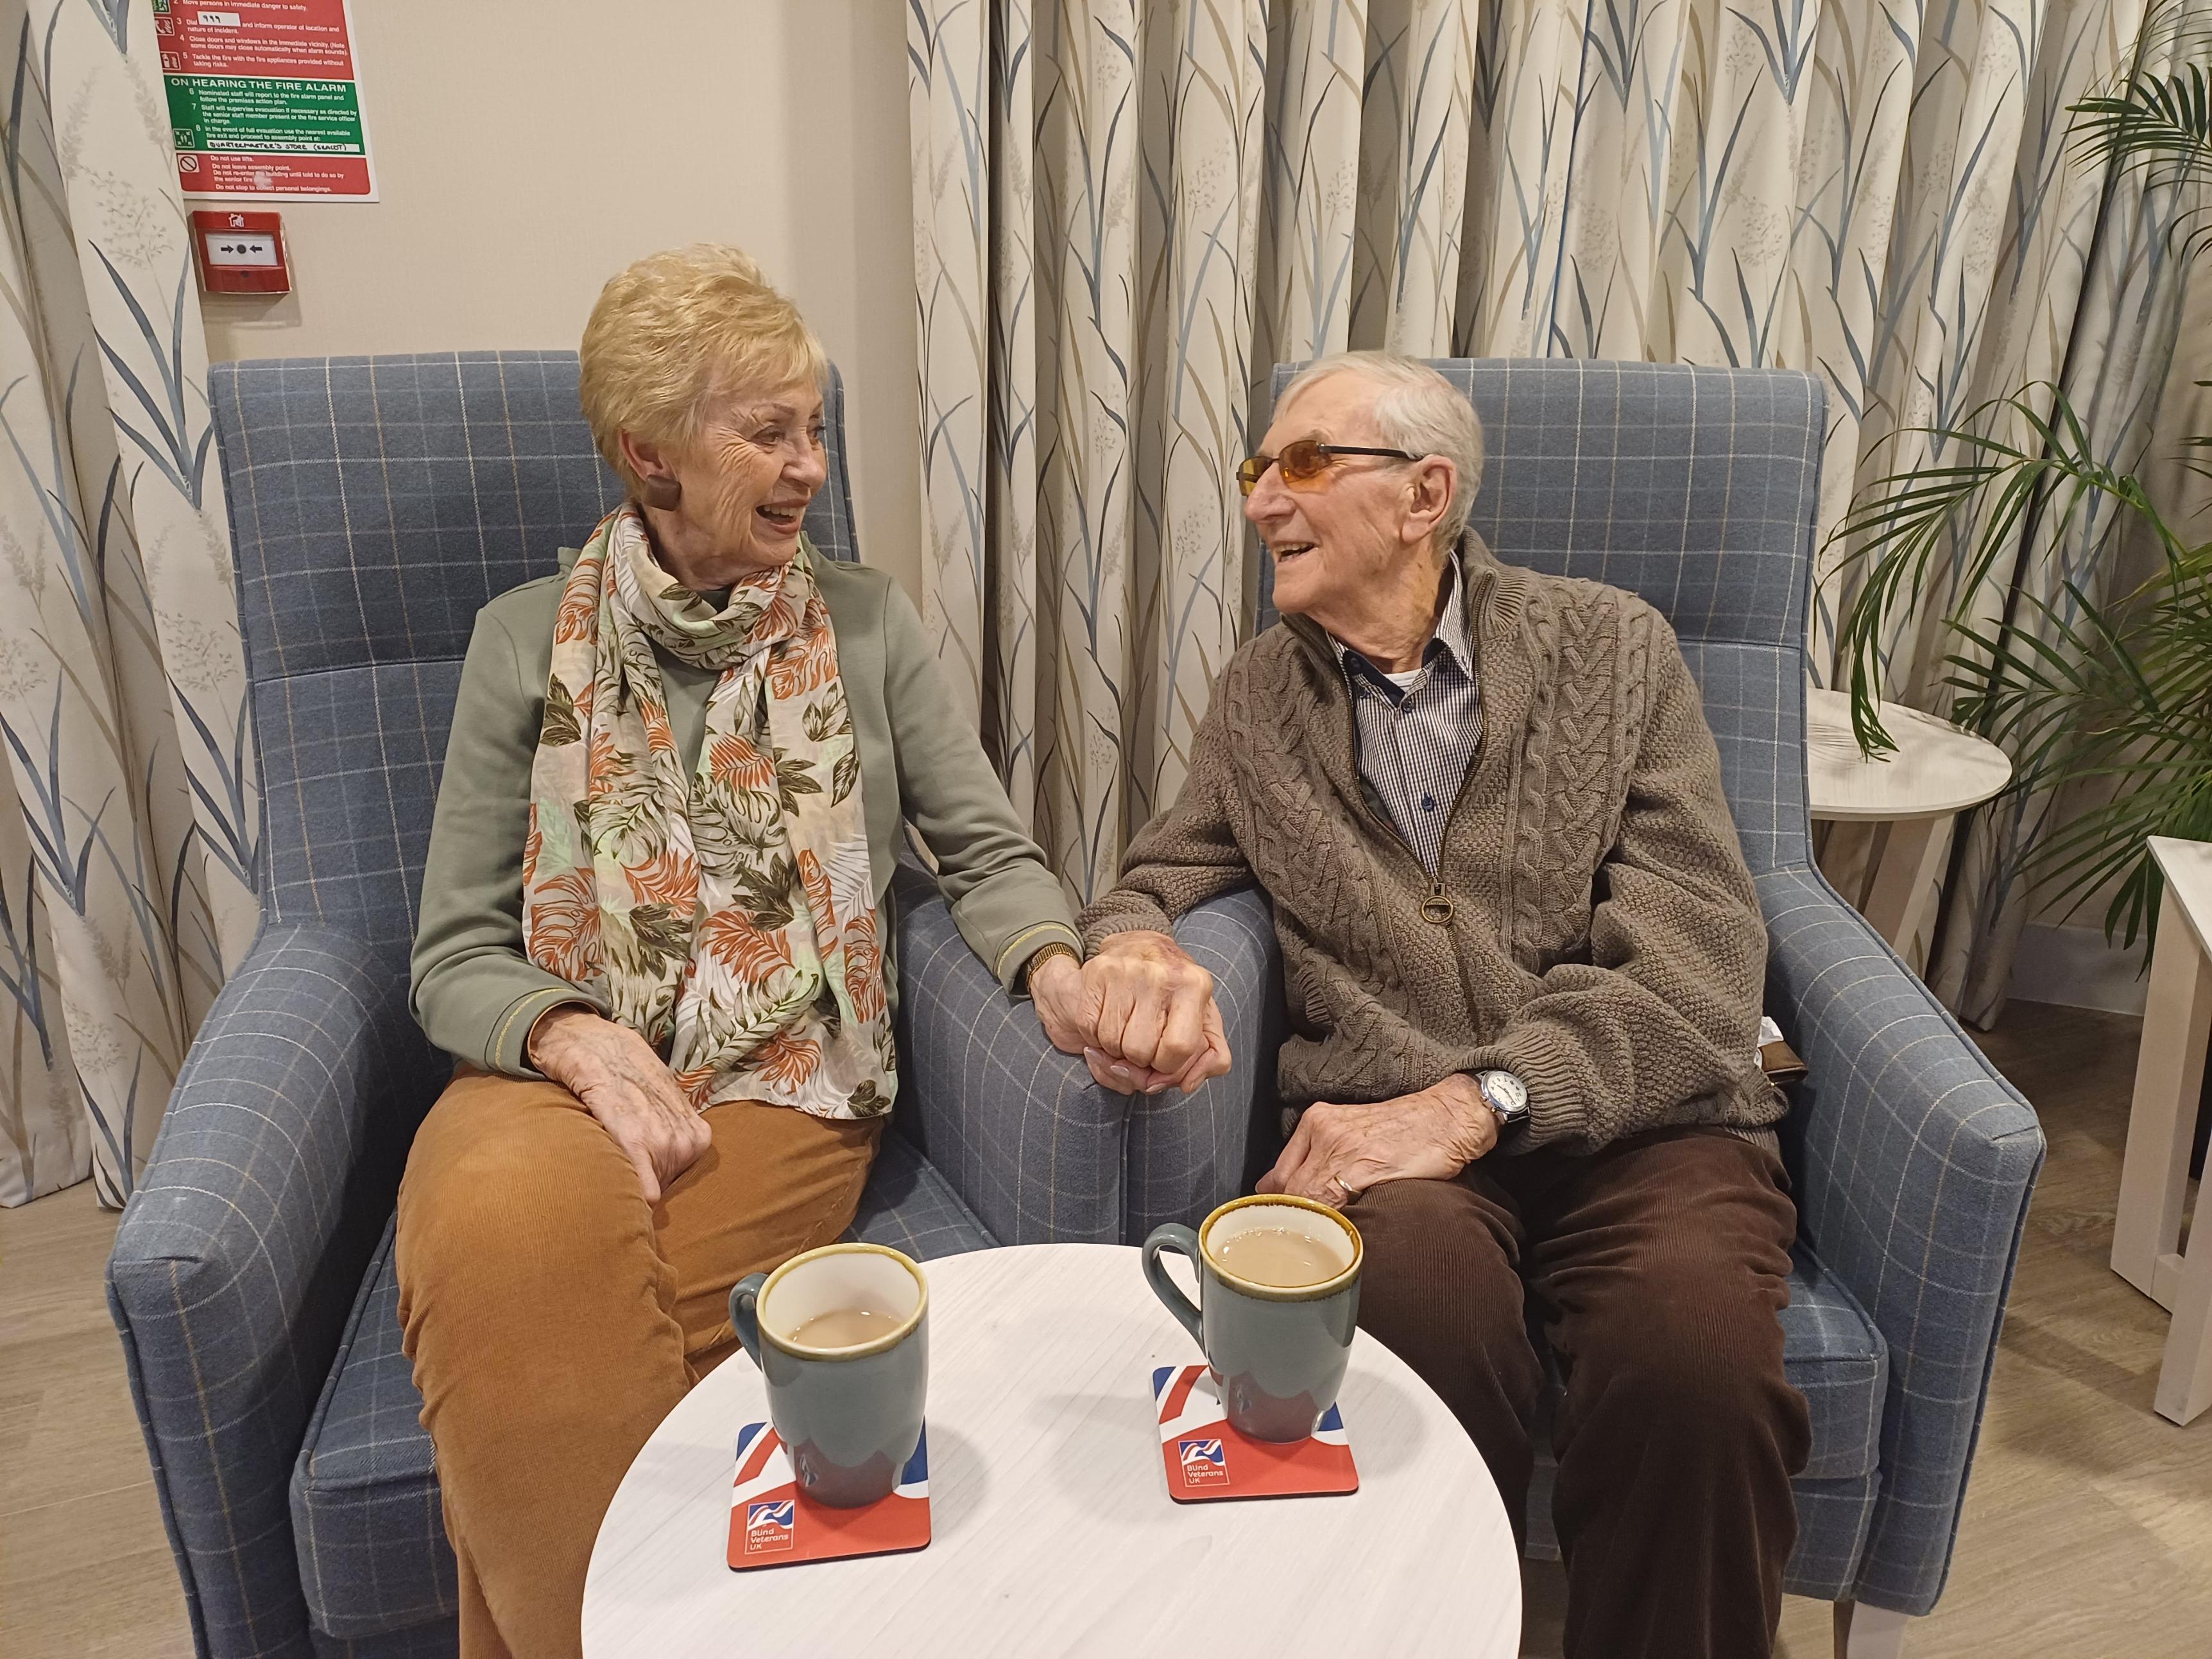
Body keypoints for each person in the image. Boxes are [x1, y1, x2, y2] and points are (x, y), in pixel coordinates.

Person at [398, 244, 1103, 1659]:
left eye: (815, 427)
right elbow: (455, 952)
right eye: (769, 433)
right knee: (492, 1240)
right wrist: (572, 1039)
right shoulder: (520, 643)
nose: (810, 467)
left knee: (521, 1348)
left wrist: (1053, 968)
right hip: (551, 1073)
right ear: (648, 457)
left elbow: (984, 850)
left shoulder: (865, 624)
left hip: (785, 1076)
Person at [1077, 351, 1811, 1658]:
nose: (1258, 502)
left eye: (1301, 463)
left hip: (1645, 1126)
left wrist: (1481, 1098)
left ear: (1425, 495)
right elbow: (1160, 874)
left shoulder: (1612, 648)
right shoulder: (1258, 696)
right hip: (1383, 1150)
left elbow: (1699, 949)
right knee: (1410, 1337)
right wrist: (1133, 949)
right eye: (1256, 470)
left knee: (1693, 1365)